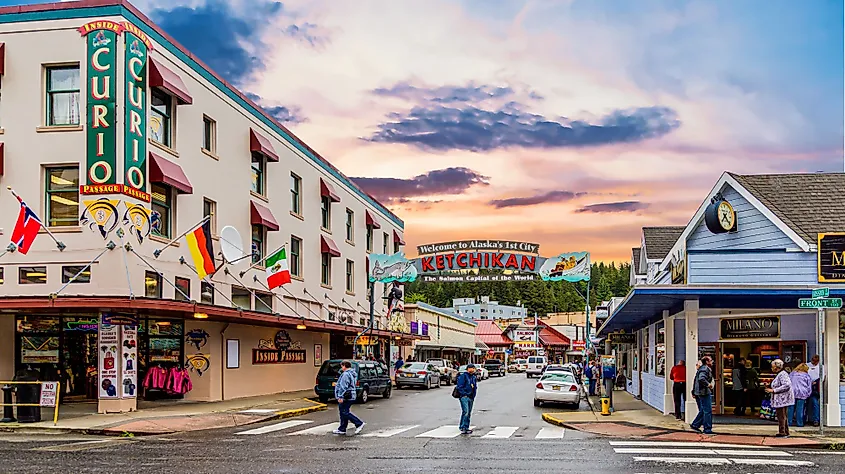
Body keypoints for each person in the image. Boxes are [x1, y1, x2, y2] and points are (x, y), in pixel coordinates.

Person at [332, 360, 365, 436]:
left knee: (344, 412)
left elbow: (344, 386)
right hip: (351, 395)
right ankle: (342, 428)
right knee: (343, 411)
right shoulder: (352, 373)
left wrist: (340, 396)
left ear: (344, 366)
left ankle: (359, 423)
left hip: (346, 396)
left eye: (342, 366)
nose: (341, 368)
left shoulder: (346, 374)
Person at [766, 359, 794, 438]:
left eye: (773, 366)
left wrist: (774, 390)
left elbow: (787, 385)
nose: (772, 368)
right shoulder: (781, 374)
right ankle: (785, 431)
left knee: (781, 416)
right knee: (782, 415)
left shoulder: (782, 374)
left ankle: (782, 432)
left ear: (776, 367)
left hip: (782, 399)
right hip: (781, 399)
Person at [690, 356, 714, 435]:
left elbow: (696, 380)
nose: (712, 361)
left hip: (699, 392)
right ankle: (707, 428)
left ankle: (695, 424)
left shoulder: (701, 369)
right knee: (707, 411)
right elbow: (701, 379)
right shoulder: (705, 369)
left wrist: (694, 391)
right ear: (707, 361)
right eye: (710, 360)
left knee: (703, 410)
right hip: (703, 392)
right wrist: (708, 385)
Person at [456, 363, 478, 435]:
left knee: (468, 413)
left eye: (473, 368)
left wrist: (473, 395)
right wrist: (464, 394)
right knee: (466, 411)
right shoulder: (463, 376)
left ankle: (466, 427)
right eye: (472, 368)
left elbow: (475, 387)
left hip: (471, 397)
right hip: (464, 397)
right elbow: (459, 386)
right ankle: (463, 427)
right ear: (468, 369)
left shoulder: (473, 377)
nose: (473, 370)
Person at [807, 354, 821, 427]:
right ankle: (804, 419)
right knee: (804, 404)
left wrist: (817, 382)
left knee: (815, 403)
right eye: (813, 361)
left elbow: (823, 377)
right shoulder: (807, 365)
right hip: (806, 387)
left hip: (815, 388)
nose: (814, 363)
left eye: (815, 362)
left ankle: (816, 420)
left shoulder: (821, 367)